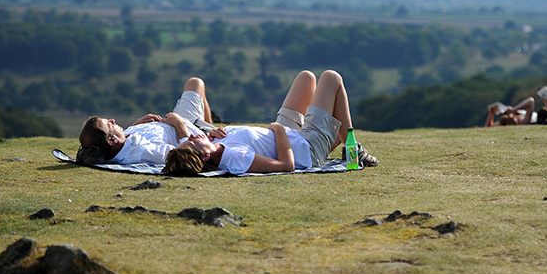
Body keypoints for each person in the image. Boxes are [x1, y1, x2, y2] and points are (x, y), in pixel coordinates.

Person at [163, 70, 378, 175]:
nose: (190, 137)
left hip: (291, 135)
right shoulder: (235, 158)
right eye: (192, 143)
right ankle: (352, 148)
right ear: (206, 155)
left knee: (306, 78)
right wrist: (277, 130)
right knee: (331, 78)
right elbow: (287, 165)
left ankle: (333, 134)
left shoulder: (218, 148)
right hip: (306, 148)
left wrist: (215, 135)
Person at [76, 77, 226, 165]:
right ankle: (208, 130)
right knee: (196, 84)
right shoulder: (142, 153)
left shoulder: (118, 144)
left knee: (195, 83)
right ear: (111, 140)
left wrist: (138, 125)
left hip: (177, 122)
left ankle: (208, 125)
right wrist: (179, 125)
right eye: (110, 124)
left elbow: (125, 140)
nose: (113, 120)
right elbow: (183, 153)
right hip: (190, 130)